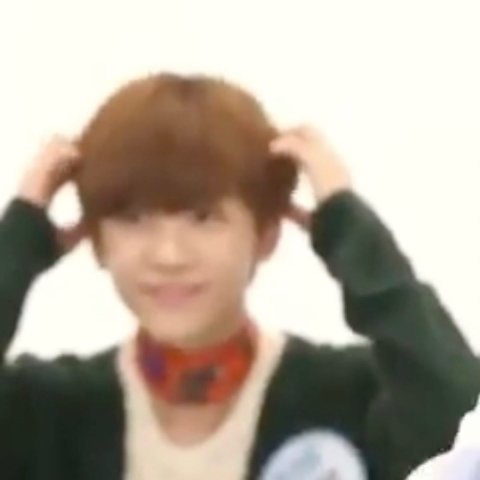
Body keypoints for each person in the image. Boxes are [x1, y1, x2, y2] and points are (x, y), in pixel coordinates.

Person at [0, 73, 479, 480]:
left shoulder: (346, 396)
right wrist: (15, 247)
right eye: (133, 218)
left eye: (204, 217)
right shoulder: (47, 411)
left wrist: (348, 229)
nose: (169, 255)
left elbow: (459, 418)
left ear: (266, 233)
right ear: (95, 238)